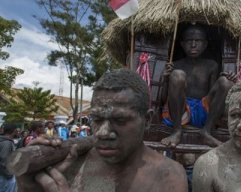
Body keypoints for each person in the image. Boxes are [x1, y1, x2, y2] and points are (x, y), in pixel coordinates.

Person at [16, 69, 188, 192]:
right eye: (97, 119)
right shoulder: (67, 162)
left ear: (147, 120)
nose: (103, 132)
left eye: (120, 120)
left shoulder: (168, 175)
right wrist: (28, 186)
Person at [160, 24, 236, 147]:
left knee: (226, 81)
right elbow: (164, 99)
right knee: (178, 74)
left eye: (198, 41)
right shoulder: (174, 66)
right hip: (180, 113)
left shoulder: (212, 65)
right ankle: (176, 131)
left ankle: (207, 131)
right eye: (189, 41)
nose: (193, 44)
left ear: (205, 44)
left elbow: (212, 100)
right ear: (182, 44)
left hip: (203, 111)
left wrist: (228, 80)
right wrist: (165, 78)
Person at [0, 123, 18, 192]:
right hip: (4, 177)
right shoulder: (7, 143)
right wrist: (9, 175)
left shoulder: (3, 141)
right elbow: (4, 161)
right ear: (14, 130)